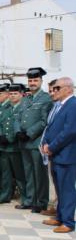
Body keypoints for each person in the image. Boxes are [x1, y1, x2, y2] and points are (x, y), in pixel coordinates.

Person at [16, 67, 53, 213]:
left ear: (41, 81)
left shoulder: (46, 99)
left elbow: (45, 121)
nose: (32, 83)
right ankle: (30, 200)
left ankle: (41, 201)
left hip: (37, 142)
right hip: (24, 142)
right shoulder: (25, 99)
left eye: (35, 80)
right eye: (30, 80)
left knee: (39, 173)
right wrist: (18, 131)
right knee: (28, 172)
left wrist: (29, 133)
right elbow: (17, 117)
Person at [41, 77, 76, 233]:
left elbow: (69, 131)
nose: (54, 91)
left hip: (66, 155)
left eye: (57, 88)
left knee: (67, 189)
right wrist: (46, 145)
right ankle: (60, 217)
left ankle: (68, 222)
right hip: (56, 154)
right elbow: (52, 127)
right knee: (59, 189)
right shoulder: (60, 105)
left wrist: (52, 146)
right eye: (53, 88)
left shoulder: (73, 105)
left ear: (69, 88)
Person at [0, 84, 29, 207]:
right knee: (6, 174)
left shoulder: (24, 108)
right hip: (4, 147)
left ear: (21, 94)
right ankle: (5, 196)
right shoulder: (6, 108)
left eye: (15, 93)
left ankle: (25, 198)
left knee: (20, 175)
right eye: (11, 94)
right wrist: (0, 136)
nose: (13, 96)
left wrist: (9, 138)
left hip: (16, 147)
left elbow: (21, 126)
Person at [40, 79, 59, 217]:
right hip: (50, 150)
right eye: (50, 90)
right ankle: (57, 207)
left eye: (54, 90)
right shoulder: (55, 106)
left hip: (60, 150)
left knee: (65, 186)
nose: (51, 93)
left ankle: (64, 216)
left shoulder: (69, 106)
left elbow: (68, 131)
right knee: (56, 183)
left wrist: (51, 146)